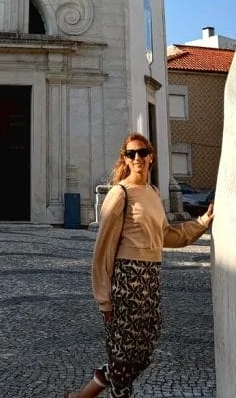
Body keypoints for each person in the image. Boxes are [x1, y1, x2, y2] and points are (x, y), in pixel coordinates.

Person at [66, 133, 215, 398]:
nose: (138, 158)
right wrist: (104, 299)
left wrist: (202, 222)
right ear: (125, 159)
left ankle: (82, 396)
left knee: (144, 350)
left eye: (142, 152)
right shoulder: (120, 193)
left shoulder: (153, 193)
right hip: (127, 282)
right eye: (131, 154)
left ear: (151, 157)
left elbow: (166, 235)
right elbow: (103, 249)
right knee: (124, 356)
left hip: (150, 279)